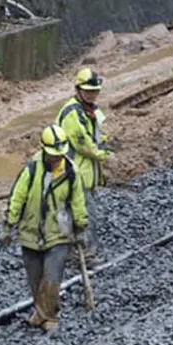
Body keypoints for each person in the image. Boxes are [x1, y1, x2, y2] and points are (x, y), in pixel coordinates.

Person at [0, 125, 89, 332]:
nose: (57, 159)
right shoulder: (31, 171)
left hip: (58, 233)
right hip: (30, 233)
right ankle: (40, 312)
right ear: (44, 150)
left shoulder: (71, 173)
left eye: (60, 155)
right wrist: (8, 225)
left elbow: (78, 202)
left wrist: (81, 226)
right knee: (35, 278)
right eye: (53, 155)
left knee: (52, 276)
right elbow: (17, 198)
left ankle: (50, 317)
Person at [58, 68, 112, 265]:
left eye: (95, 91)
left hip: (85, 173)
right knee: (84, 214)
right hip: (75, 172)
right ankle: (86, 255)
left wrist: (105, 143)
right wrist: (104, 154)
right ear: (78, 89)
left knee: (78, 213)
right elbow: (83, 144)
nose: (92, 94)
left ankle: (74, 250)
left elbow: (97, 136)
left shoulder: (90, 110)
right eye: (88, 91)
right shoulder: (73, 113)